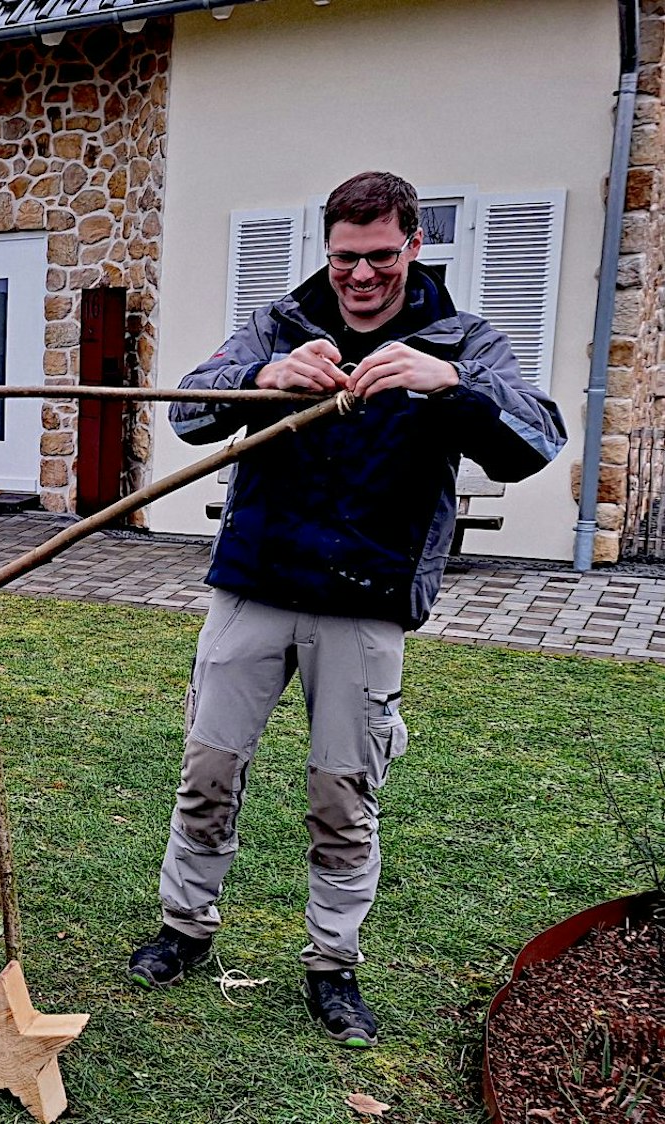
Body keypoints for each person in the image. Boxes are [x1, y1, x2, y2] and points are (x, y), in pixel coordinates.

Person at [127, 172, 567, 1048]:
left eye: (377, 257)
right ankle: (184, 929)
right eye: (342, 258)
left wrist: (451, 386)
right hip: (254, 582)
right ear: (324, 250)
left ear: (412, 245)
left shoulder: (460, 339)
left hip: (366, 600)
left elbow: (536, 442)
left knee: (343, 793)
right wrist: (263, 374)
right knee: (207, 771)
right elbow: (183, 410)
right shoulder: (281, 322)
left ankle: (332, 967)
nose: (359, 276)